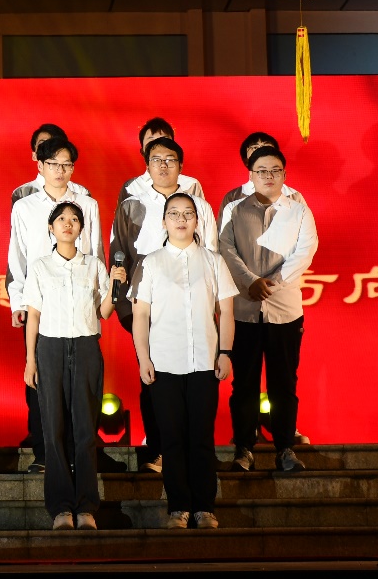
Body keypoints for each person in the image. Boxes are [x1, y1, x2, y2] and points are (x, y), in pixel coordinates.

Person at [109, 137, 217, 474]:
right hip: (145, 306)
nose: (163, 165)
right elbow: (117, 252)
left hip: (192, 307)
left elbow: (211, 252)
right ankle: (158, 450)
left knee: (196, 382)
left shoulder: (198, 206)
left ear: (181, 165)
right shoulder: (131, 204)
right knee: (152, 379)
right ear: (147, 165)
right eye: (156, 159)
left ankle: (197, 452)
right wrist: (124, 305)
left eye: (170, 159)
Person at [131, 192, 237, 530]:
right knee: (172, 439)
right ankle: (178, 507)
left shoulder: (213, 261)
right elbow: (140, 314)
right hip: (164, 363)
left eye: (188, 213)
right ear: (164, 221)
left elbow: (227, 311)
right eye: (174, 213)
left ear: (197, 220)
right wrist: (143, 358)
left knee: (201, 438)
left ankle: (204, 508)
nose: (181, 219)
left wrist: (225, 352)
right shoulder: (150, 262)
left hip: (205, 361)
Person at [23, 201, 123, 531]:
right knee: (53, 431)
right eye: (62, 219)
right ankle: (61, 508)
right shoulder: (40, 267)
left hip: (85, 347)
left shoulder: (93, 265)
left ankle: (86, 507)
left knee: (84, 431)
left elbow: (104, 312)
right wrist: (30, 360)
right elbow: (33, 315)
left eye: (75, 219)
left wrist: (115, 286)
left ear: (81, 228)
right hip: (50, 348)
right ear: (50, 228)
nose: (68, 223)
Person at [219, 146, 318, 474]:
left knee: (284, 382)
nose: (268, 176)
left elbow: (306, 250)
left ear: (285, 174)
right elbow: (225, 249)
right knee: (244, 384)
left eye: (275, 170)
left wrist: (272, 283)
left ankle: (285, 448)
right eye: (261, 171)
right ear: (251, 175)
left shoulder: (298, 210)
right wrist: (250, 281)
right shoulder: (234, 209)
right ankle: (243, 448)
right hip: (244, 310)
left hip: (285, 310)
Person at [7, 136, 103, 473]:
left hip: (80, 304)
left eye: (66, 165)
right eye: (53, 164)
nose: (60, 171)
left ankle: (82, 453)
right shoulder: (24, 205)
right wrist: (18, 301)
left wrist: (98, 300)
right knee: (39, 380)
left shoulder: (86, 204)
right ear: (40, 165)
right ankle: (45, 453)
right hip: (39, 303)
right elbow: (17, 256)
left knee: (82, 386)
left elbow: (96, 252)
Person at [117, 118, 204, 206]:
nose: (159, 146)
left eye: (163, 140)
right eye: (151, 141)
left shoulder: (191, 184)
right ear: (142, 151)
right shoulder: (131, 187)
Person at [219, 132, 307, 213]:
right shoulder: (233, 197)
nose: (261, 152)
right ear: (246, 160)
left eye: (267, 147)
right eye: (255, 148)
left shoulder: (294, 196)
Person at [11, 123, 90, 206]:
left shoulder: (81, 193)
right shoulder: (22, 193)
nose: (50, 150)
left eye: (56, 146)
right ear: (34, 155)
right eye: (43, 145)